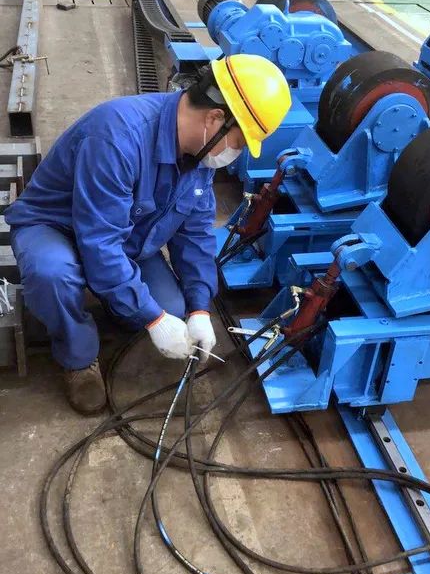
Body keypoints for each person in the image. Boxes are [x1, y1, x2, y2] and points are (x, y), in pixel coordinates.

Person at [6, 54, 292, 415]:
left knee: (174, 308)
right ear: (215, 118)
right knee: (52, 275)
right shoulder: (118, 138)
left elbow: (196, 236)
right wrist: (153, 318)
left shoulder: (199, 152)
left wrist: (200, 307)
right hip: (55, 227)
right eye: (239, 142)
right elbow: (100, 244)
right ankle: (77, 358)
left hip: (126, 236)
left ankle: (118, 302)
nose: (235, 154)